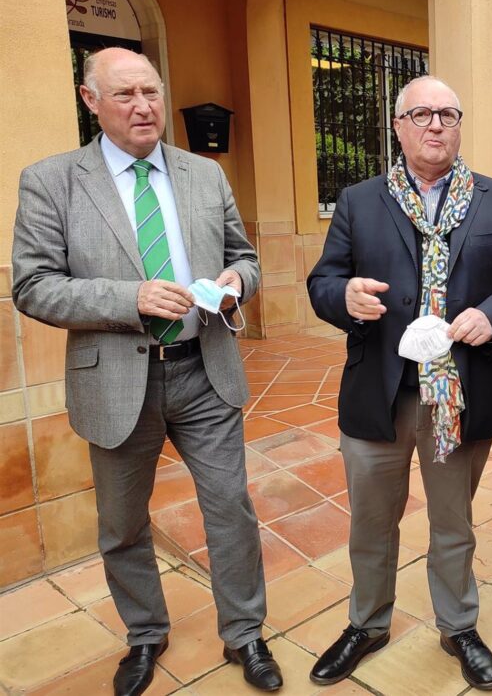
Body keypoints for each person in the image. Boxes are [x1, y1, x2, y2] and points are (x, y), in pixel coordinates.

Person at [11, 49, 282, 696]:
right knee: (123, 523)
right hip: (115, 381)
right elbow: (33, 286)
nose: (143, 106)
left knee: (231, 510)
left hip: (205, 371)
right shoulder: (52, 180)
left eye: (152, 91)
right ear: (90, 99)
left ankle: (245, 630)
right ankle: (144, 633)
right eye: (125, 93)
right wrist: (127, 298)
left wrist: (236, 281)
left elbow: (247, 257)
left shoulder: (203, 174)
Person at [305, 75, 492, 691]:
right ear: (398, 126)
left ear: (459, 124)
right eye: (421, 115)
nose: (435, 125)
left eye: (447, 113)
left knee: (453, 523)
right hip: (378, 392)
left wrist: (491, 316)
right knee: (370, 522)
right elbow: (322, 282)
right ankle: (367, 622)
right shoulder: (360, 201)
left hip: (459, 397)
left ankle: (458, 625)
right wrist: (344, 296)